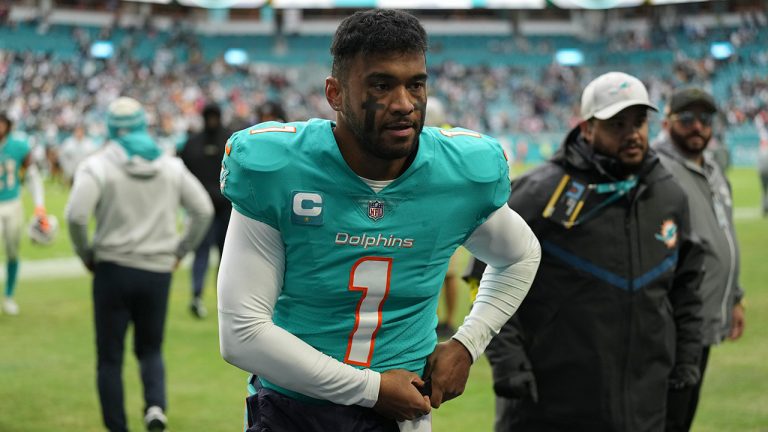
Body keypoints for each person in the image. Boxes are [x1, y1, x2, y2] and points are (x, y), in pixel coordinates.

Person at [217, 9, 541, 432]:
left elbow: (520, 254)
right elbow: (242, 332)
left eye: (416, 85)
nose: (404, 104)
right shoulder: (280, 169)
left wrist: (467, 343)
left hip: (402, 417)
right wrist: (370, 388)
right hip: (291, 411)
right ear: (335, 93)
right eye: (382, 85)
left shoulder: (458, 174)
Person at [484, 72, 704, 432]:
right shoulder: (540, 193)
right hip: (552, 403)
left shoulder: (669, 195)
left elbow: (688, 287)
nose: (632, 133)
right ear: (587, 128)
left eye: (639, 122)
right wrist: (508, 360)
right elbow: (486, 273)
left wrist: (687, 360)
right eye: (617, 123)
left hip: (643, 402)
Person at [65, 97, 213, 432]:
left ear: (111, 128)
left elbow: (75, 215)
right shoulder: (168, 164)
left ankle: (117, 426)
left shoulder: (99, 164)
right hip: (158, 270)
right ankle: (155, 407)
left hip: (112, 269)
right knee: (150, 349)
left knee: (110, 358)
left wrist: (85, 253)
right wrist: (179, 251)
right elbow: (202, 209)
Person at [651, 87, 746, 432]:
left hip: (704, 317)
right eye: (687, 119)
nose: (697, 127)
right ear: (666, 122)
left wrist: (733, 297)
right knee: (667, 417)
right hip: (672, 322)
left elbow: (724, 234)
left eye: (705, 120)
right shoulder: (656, 167)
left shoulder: (712, 168)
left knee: (682, 414)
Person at [180, 102, 232, 318]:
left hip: (212, 207)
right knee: (218, 255)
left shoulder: (194, 144)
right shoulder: (230, 142)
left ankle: (208, 297)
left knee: (219, 256)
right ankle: (204, 297)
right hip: (218, 207)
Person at [0, 112, 51, 316]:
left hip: (12, 203)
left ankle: (9, 295)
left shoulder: (19, 146)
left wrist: (39, 206)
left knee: (12, 251)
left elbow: (32, 176)